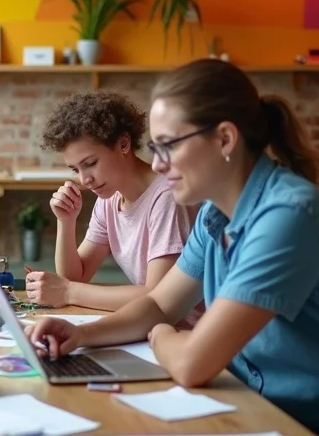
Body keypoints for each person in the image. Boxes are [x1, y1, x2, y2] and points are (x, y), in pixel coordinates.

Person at [26, 59, 319, 436]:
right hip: (280, 418)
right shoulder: (215, 212)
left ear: (225, 139)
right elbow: (158, 304)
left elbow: (189, 360)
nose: (158, 164)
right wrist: (79, 334)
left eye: (169, 146)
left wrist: (163, 336)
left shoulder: (286, 215)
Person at [26, 91, 202, 326]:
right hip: (152, 327)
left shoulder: (166, 196)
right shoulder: (109, 200)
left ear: (123, 143)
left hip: (190, 334)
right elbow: (75, 277)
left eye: (90, 164)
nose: (84, 179)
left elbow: (158, 296)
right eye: (75, 169)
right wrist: (66, 221)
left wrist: (68, 291)